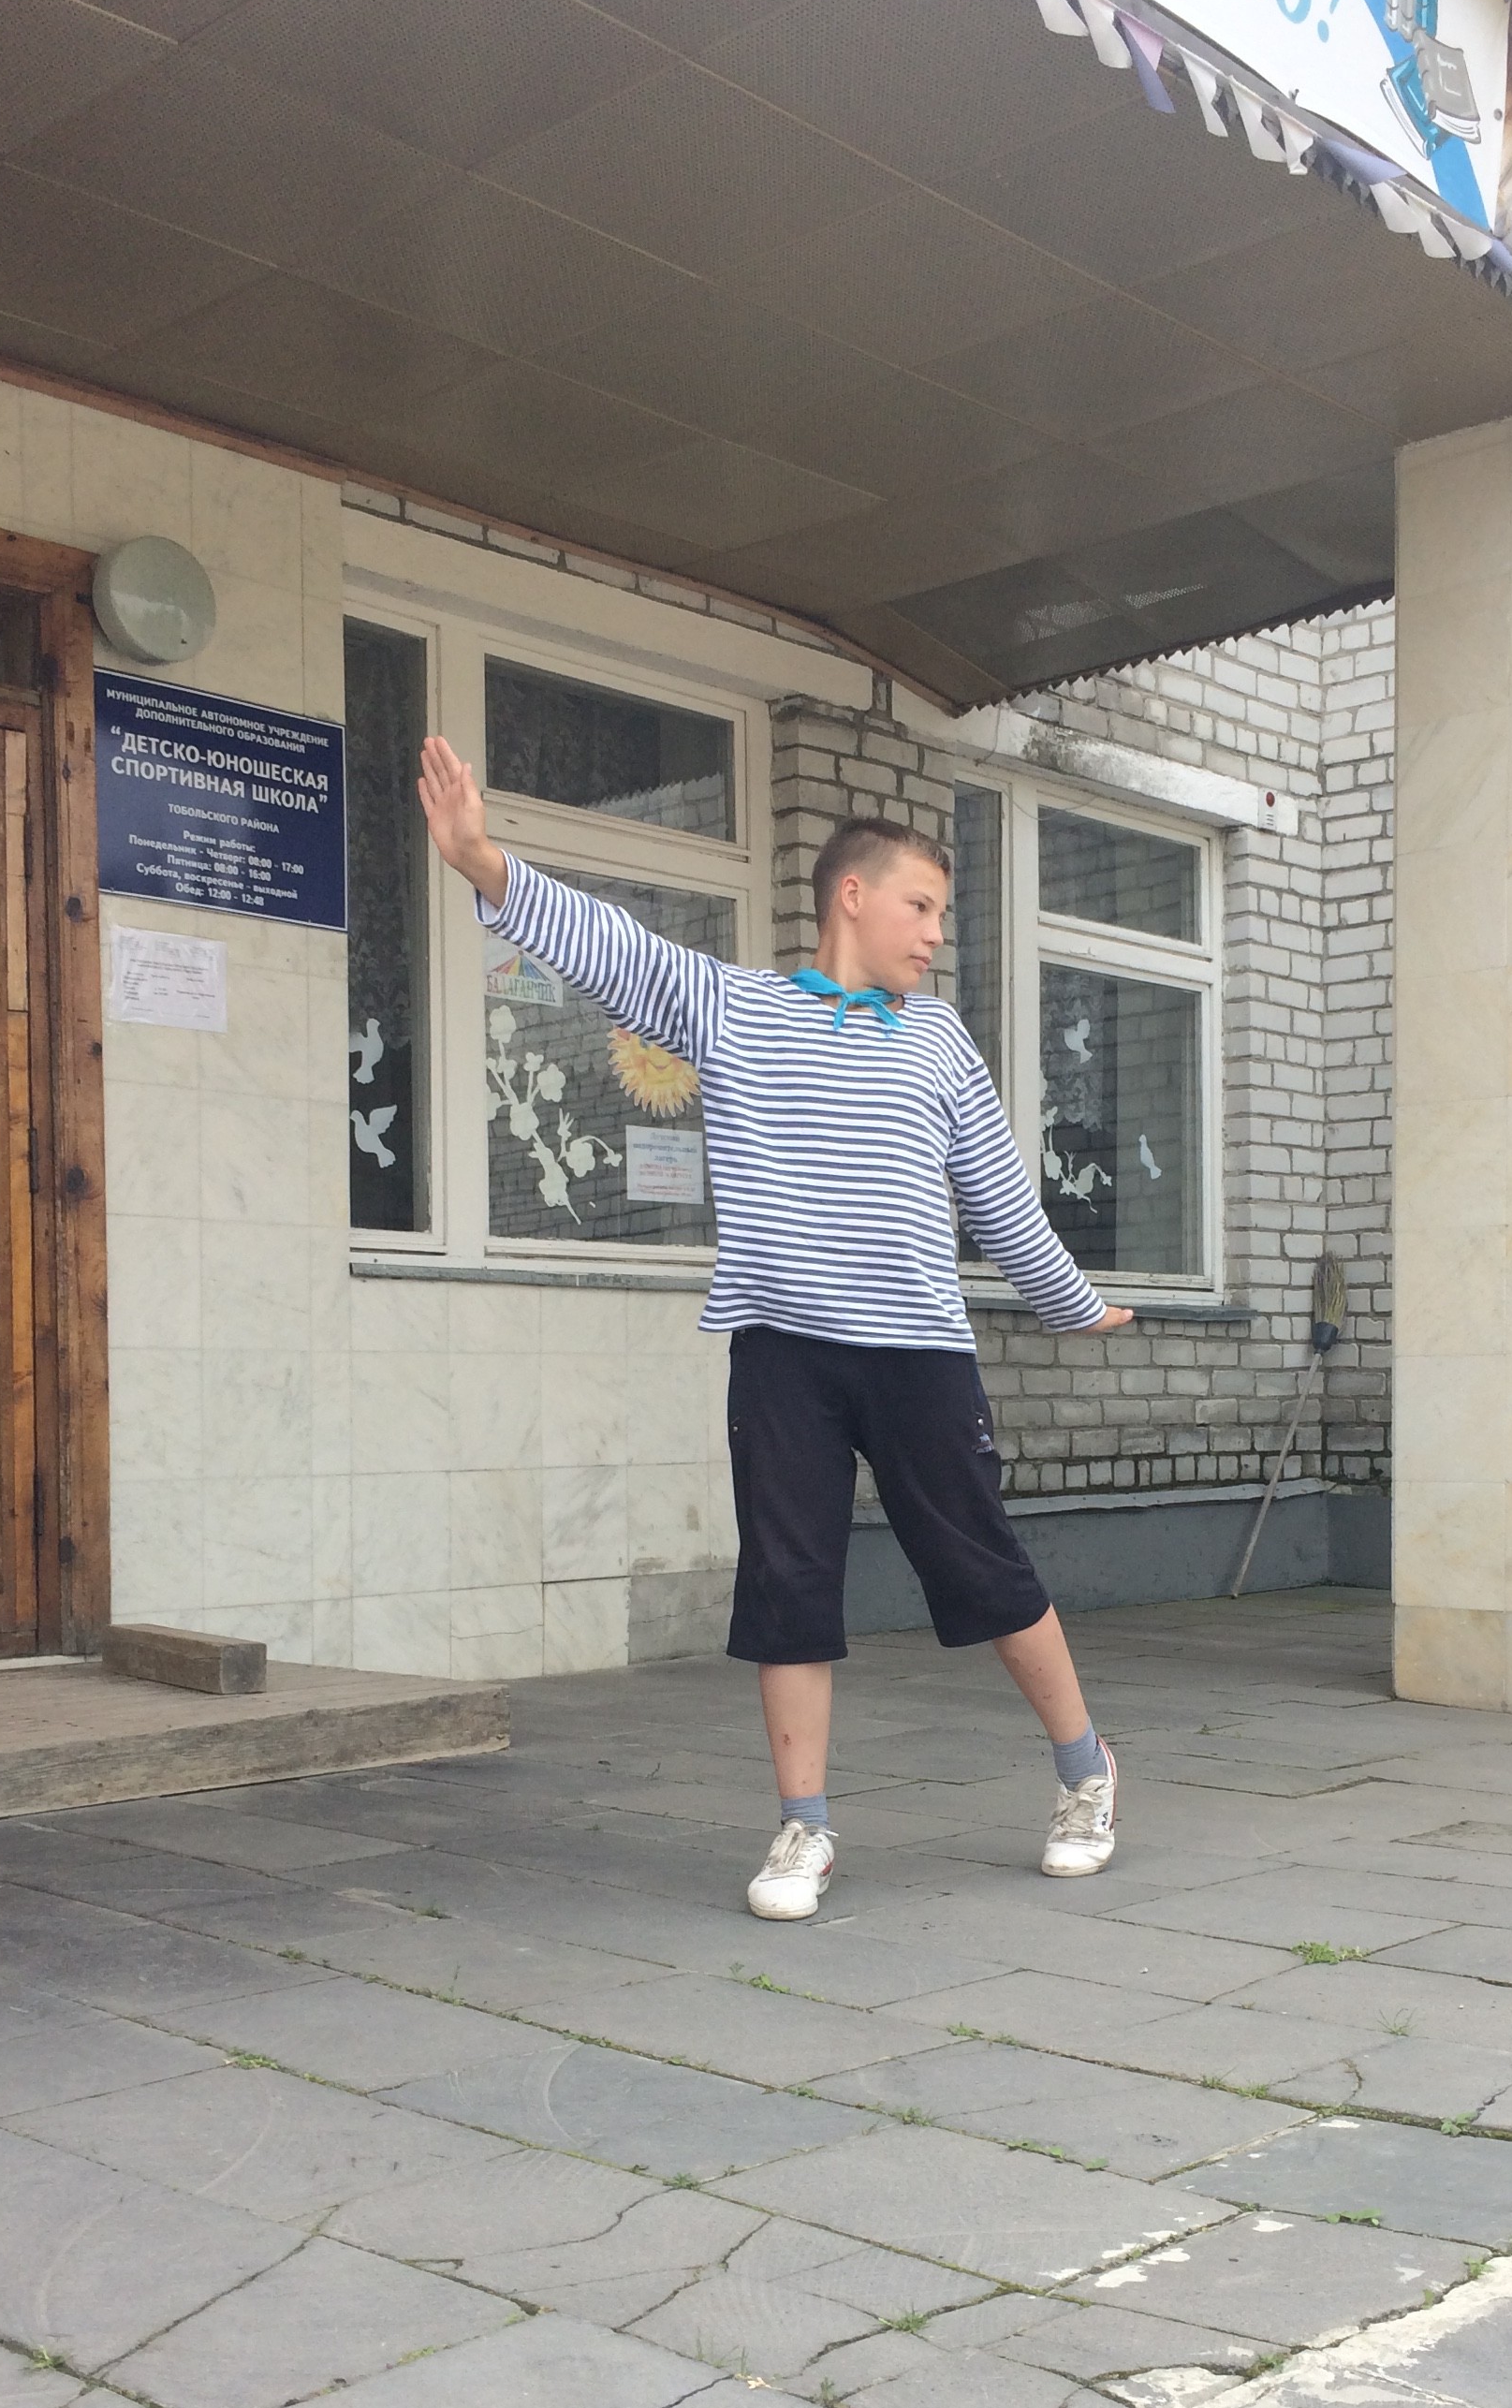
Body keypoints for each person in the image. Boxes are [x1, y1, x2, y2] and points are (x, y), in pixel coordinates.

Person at [417, 737, 1133, 1919]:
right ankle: (804, 1826)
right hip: (782, 1354)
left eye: (941, 914)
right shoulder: (733, 1009)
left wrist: (1071, 1302)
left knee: (982, 1569)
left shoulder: (938, 1039)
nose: (935, 933)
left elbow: (999, 1194)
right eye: (921, 906)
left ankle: (1086, 1771)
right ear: (852, 894)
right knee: (789, 1585)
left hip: (919, 1356)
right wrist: (487, 865)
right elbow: (614, 946)